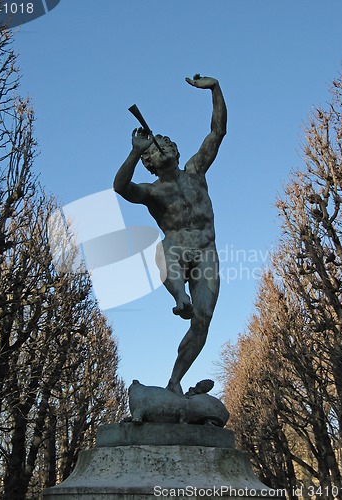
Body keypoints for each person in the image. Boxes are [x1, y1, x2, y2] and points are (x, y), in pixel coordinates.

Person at [114, 75, 227, 396]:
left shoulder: (196, 171)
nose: (160, 148)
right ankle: (180, 296)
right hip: (176, 250)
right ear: (149, 163)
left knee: (202, 323)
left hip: (207, 254)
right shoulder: (153, 191)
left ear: (175, 151)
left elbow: (217, 132)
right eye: (154, 150)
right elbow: (121, 187)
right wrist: (134, 152)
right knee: (165, 249)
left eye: (164, 143)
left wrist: (215, 89)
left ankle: (175, 380)